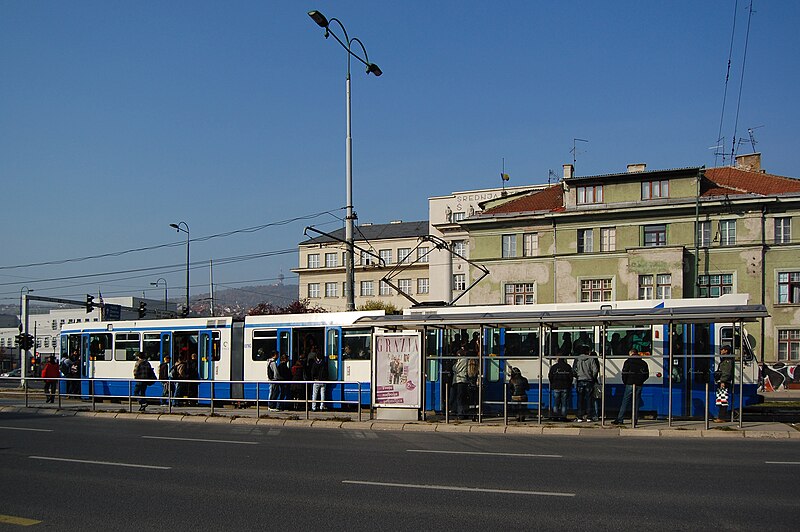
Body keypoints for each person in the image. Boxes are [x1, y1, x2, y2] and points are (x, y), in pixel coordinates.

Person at [614, 349, 649, 425]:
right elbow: (646, 375)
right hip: (639, 384)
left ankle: (620, 419)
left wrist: (626, 382)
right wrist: (641, 381)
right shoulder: (643, 363)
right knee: (636, 402)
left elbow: (624, 373)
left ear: (631, 353)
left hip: (629, 383)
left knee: (625, 402)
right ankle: (634, 420)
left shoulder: (628, 362)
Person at [573, 348, 600, 422]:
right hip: (589, 381)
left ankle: (579, 417)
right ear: (587, 352)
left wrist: (577, 376)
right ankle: (589, 416)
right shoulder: (591, 359)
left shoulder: (577, 359)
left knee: (580, 399)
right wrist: (592, 377)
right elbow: (595, 370)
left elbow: (574, 370)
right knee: (589, 399)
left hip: (580, 380)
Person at [714, 345, 735, 423]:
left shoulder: (727, 360)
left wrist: (722, 381)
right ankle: (721, 417)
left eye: (722, 350)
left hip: (724, 382)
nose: (721, 351)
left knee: (723, 400)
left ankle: (721, 417)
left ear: (726, 351)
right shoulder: (725, 359)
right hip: (722, 381)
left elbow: (726, 372)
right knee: (721, 399)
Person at [452, 347, 470, 419]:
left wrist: (455, 363)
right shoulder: (462, 360)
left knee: (460, 397)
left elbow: (455, 368)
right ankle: (462, 412)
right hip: (459, 380)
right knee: (461, 397)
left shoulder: (463, 360)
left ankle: (461, 413)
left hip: (461, 380)